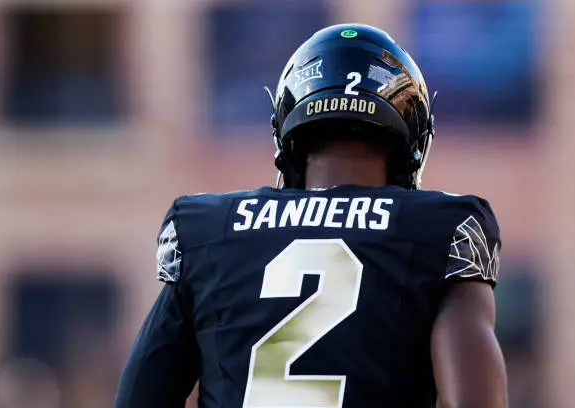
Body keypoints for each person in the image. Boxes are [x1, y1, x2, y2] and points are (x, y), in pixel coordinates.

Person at [114, 23, 508, 408]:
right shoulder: (443, 228)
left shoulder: (205, 229)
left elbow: (139, 397)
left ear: (286, 129)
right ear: (414, 137)